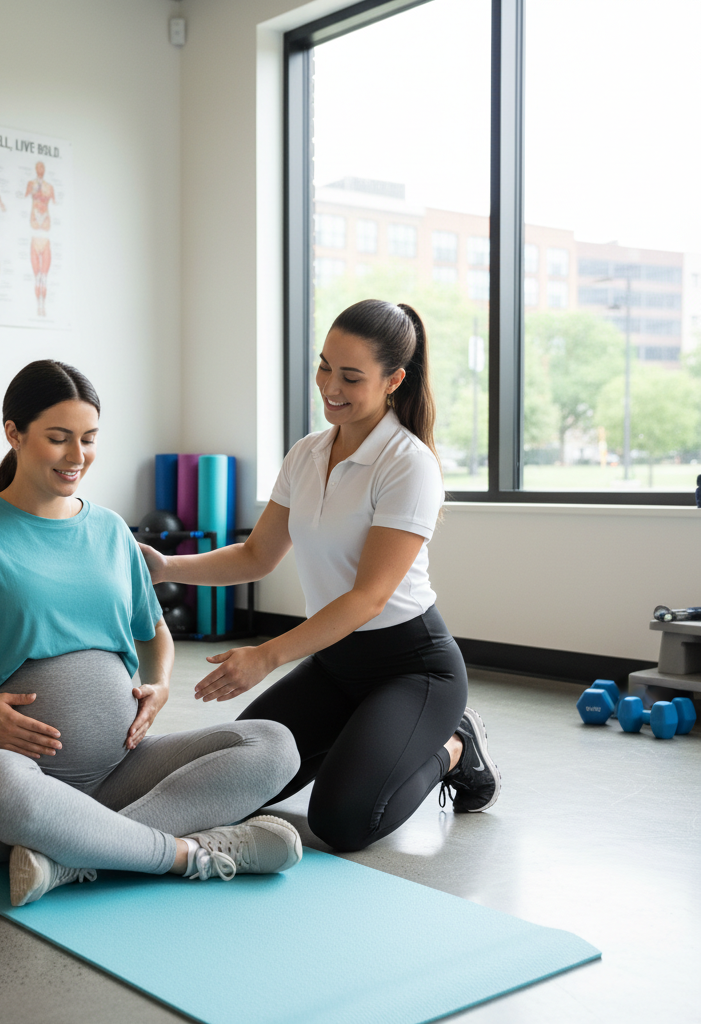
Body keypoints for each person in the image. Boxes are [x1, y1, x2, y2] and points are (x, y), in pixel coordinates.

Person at [0, 360, 303, 907]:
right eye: (58, 439)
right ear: (14, 434)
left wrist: (157, 686)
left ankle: (69, 856)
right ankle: (187, 856)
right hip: (5, 779)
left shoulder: (110, 530)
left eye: (88, 439)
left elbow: (155, 631)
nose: (77, 456)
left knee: (273, 745)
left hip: (120, 772)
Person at [139, 300, 501, 853]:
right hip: (336, 666)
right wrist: (167, 567)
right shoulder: (307, 454)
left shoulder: (408, 464)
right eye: (324, 365)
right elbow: (257, 555)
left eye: (351, 376)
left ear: (393, 381)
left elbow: (368, 598)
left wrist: (265, 655)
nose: (329, 385)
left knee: (343, 822)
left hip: (412, 671)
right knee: (235, 787)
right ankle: (364, 741)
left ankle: (455, 744)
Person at [24, 162, 55, 316]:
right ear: (35, 169)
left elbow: (56, 204)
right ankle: (39, 307)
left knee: (44, 277)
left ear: (45, 169)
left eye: (43, 167)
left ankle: (43, 307)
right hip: (35, 233)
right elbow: (23, 197)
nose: (41, 170)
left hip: (46, 234)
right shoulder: (31, 184)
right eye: (38, 167)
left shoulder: (50, 187)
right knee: (37, 278)